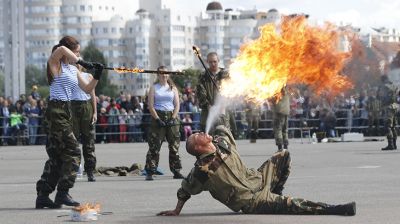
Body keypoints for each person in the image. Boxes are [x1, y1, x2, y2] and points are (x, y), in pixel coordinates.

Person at [157, 124, 356, 216]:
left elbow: (223, 128)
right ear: (198, 148)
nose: (200, 132)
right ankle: (337, 209)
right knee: (295, 204)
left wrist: (219, 123)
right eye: (197, 136)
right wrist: (176, 210)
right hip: (252, 200)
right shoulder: (201, 170)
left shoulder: (222, 144)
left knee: (283, 156)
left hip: (258, 178)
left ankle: (275, 195)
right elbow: (185, 189)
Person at [35, 35, 104, 209]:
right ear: (69, 51)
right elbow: (60, 50)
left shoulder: (73, 70)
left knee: (57, 158)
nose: (78, 56)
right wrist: (83, 61)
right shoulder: (55, 64)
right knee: (74, 152)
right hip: (55, 111)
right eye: (77, 52)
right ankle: (63, 193)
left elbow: (88, 89)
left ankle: (43, 194)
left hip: (66, 111)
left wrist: (96, 75)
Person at [144, 66, 184, 181]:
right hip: (158, 116)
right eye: (162, 73)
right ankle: (150, 171)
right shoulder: (154, 88)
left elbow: (177, 105)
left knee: (174, 146)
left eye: (166, 73)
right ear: (158, 75)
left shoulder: (173, 88)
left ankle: (176, 171)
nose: (164, 75)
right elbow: (150, 106)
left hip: (171, 116)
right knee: (154, 146)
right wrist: (157, 119)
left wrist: (173, 117)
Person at [195, 52, 236, 136]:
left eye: (215, 61)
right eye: (210, 62)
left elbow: (231, 91)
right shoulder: (203, 76)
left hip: (222, 111)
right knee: (208, 139)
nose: (213, 64)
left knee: (224, 137)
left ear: (218, 61)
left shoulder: (225, 75)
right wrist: (208, 105)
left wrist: (224, 103)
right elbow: (200, 93)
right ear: (207, 62)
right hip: (207, 112)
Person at [71, 65, 98, 182]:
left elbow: (92, 95)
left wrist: (95, 112)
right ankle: (74, 168)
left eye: (79, 62)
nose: (77, 65)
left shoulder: (88, 76)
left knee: (89, 140)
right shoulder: (70, 75)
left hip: (86, 106)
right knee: (73, 140)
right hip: (73, 105)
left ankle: (90, 170)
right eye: (75, 62)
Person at [379, 75, 399, 150]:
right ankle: (394, 144)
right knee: (393, 126)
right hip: (395, 106)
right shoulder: (393, 85)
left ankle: (390, 145)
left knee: (388, 126)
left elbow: (382, 97)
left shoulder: (384, 86)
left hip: (388, 107)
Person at [271, 86, 290, 151]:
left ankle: (280, 147)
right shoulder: (287, 93)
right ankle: (285, 146)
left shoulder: (277, 94)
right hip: (286, 113)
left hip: (278, 113)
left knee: (278, 130)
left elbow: (272, 101)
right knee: (285, 130)